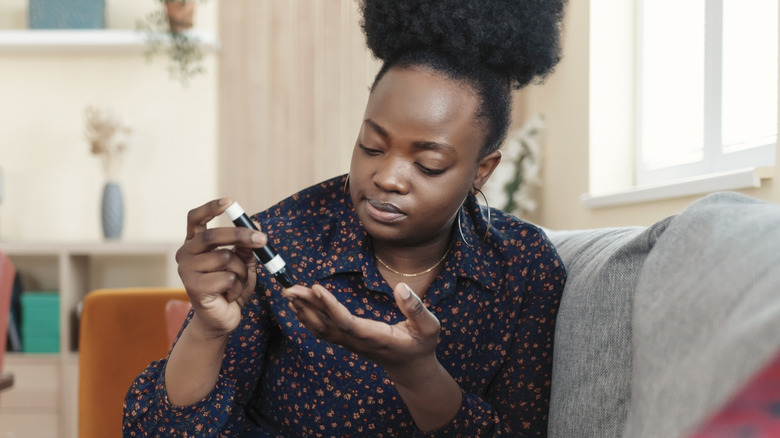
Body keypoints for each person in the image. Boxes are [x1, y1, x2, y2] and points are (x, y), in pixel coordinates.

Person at [123, 0, 567, 436]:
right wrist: (207, 328)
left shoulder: (523, 268)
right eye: (372, 146)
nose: (387, 177)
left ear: (481, 171)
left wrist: (415, 372)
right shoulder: (279, 238)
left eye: (428, 165)